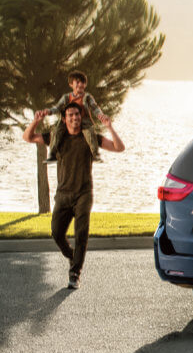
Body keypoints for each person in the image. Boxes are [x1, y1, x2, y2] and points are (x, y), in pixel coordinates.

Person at [21, 102, 126, 289]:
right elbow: (28, 137)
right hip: (63, 194)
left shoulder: (90, 137)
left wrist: (110, 127)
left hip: (83, 193)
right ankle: (72, 256)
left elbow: (119, 147)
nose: (74, 118)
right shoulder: (56, 137)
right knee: (56, 232)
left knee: (81, 233)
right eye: (70, 115)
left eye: (77, 115)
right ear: (64, 118)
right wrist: (36, 121)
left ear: (81, 117)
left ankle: (75, 273)